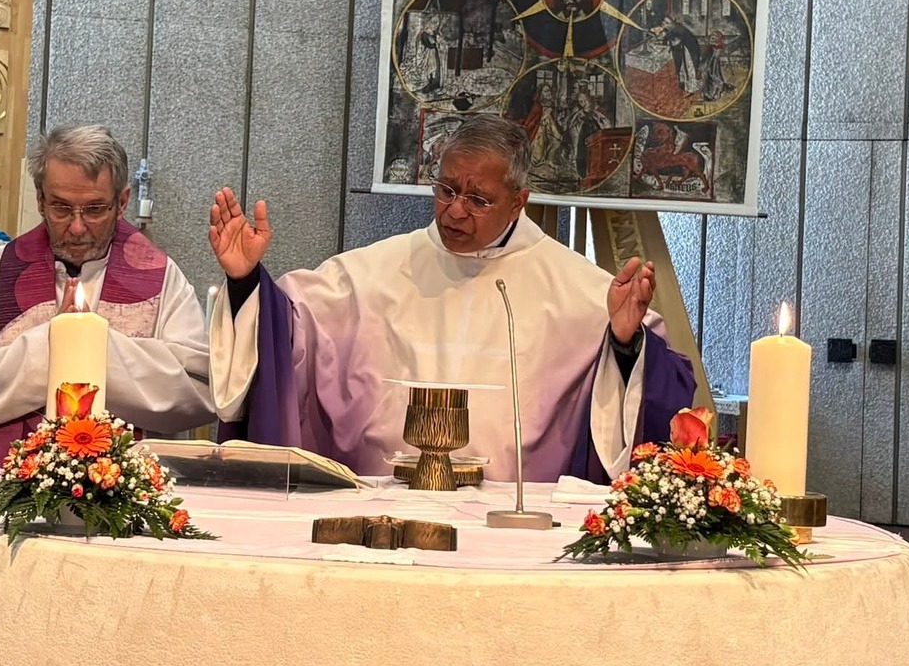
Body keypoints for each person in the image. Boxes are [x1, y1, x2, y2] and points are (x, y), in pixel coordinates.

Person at [207, 114, 696, 483]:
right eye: (446, 190)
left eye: (478, 199)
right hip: (380, 505)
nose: (455, 211)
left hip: (515, 522)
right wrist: (246, 281)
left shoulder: (577, 288)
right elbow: (287, 331)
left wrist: (626, 343)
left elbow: (656, 391)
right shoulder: (370, 273)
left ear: (519, 202)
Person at [0, 125, 214, 493]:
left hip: (126, 508)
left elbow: (198, 391)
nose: (77, 227)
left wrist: (91, 344)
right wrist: (47, 346)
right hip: (7, 506)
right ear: (40, 200)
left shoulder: (163, 279)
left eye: (95, 209)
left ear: (122, 202)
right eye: (61, 207)